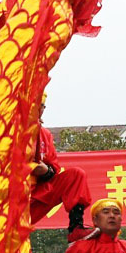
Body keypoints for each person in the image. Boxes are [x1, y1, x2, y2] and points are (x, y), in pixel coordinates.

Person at [29, 93, 93, 239]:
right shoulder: (9, 130)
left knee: (76, 175)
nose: (38, 110)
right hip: (10, 199)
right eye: (34, 106)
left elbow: (54, 168)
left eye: (41, 106)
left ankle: (76, 227)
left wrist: (45, 171)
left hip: (38, 196)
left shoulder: (45, 134)